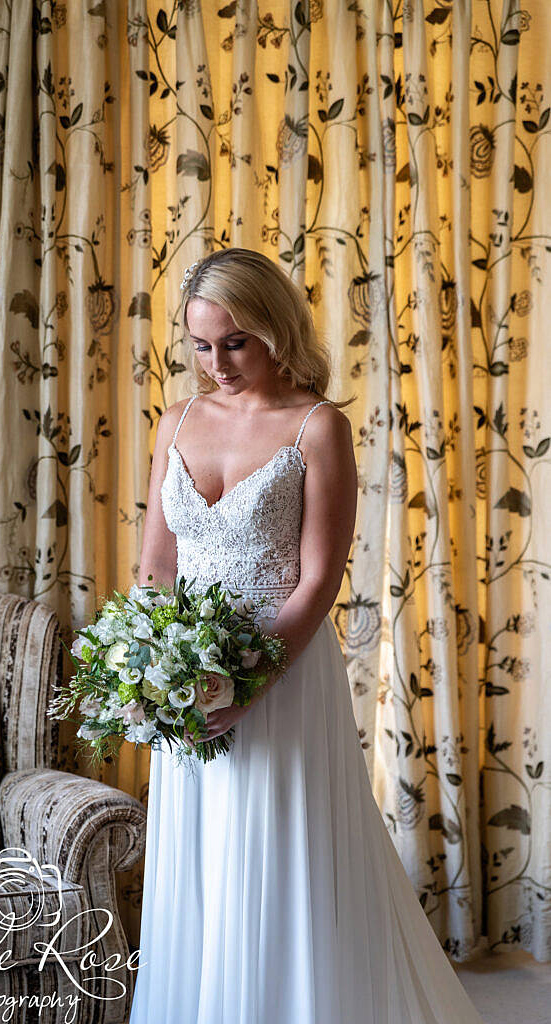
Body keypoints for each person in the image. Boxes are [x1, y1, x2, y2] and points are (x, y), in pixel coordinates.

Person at [128, 248, 484, 1024]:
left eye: (235, 342)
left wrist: (247, 685)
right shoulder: (179, 421)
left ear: (275, 332)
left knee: (278, 853)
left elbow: (319, 580)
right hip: (185, 674)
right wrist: (150, 672)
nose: (215, 362)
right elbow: (156, 566)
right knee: (202, 857)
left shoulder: (318, 426)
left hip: (280, 668)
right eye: (199, 344)